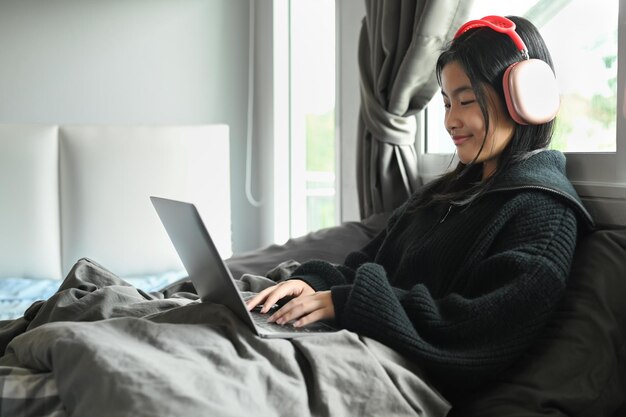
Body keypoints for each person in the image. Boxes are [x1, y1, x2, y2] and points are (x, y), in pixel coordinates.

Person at [247, 15, 594, 400]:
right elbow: (366, 262)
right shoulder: (443, 192)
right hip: (349, 336)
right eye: (447, 103)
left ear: (524, 99)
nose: (450, 121)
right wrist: (314, 283)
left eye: (466, 101)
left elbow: (473, 333)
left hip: (390, 372)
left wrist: (346, 302)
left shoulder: (544, 214)